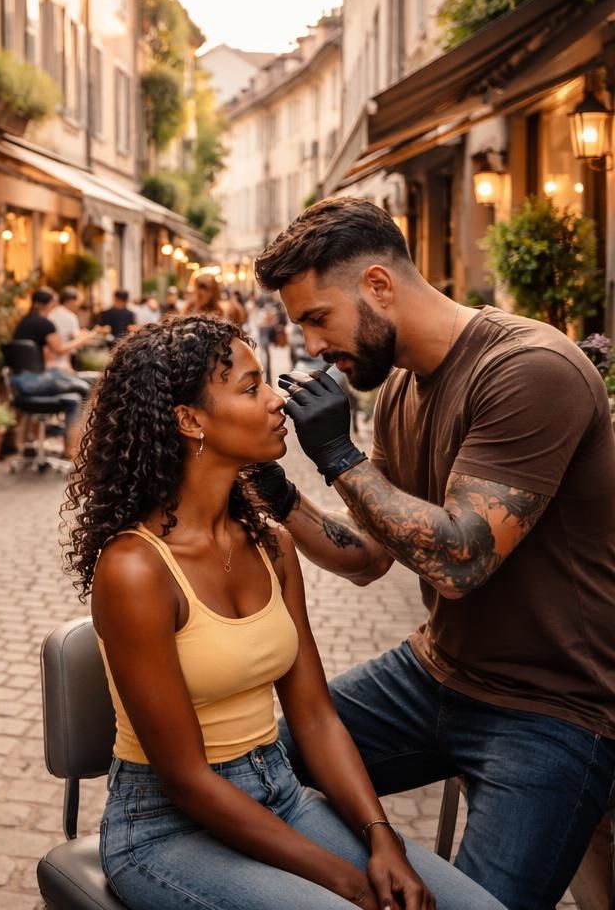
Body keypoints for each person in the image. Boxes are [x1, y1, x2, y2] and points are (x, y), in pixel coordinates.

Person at [62, 314, 503, 910]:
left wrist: (383, 840)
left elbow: (316, 717)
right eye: (251, 388)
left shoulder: (272, 544)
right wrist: (346, 881)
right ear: (190, 420)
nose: (278, 402)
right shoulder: (136, 569)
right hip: (166, 828)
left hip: (282, 793)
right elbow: (187, 782)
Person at [249, 196, 615, 910]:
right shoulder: (399, 394)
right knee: (257, 773)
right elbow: (368, 558)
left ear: (379, 286)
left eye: (318, 318)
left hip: (553, 707)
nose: (314, 346)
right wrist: (278, 496)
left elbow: (459, 562)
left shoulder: (529, 369)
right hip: (435, 674)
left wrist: (335, 456)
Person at [11, 287, 94, 459]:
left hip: (19, 382)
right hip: (35, 382)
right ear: (50, 304)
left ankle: (25, 443)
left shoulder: (22, 322)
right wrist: (82, 339)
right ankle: (73, 450)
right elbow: (59, 350)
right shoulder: (44, 324)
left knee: (76, 389)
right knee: (85, 388)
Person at [46, 286, 88, 370]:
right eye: (77, 301)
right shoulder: (71, 317)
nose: (78, 304)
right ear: (71, 301)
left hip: (49, 363)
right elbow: (76, 339)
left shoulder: (51, 314)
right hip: (63, 363)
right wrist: (86, 337)